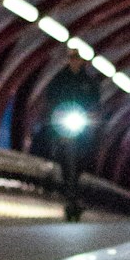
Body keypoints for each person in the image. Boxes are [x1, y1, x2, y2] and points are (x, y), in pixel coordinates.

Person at [43, 48, 102, 221]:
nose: (75, 61)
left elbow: (95, 104)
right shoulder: (60, 79)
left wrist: (92, 115)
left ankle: (76, 194)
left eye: (77, 58)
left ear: (83, 61)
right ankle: (69, 195)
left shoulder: (89, 82)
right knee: (61, 155)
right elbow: (50, 98)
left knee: (84, 156)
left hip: (81, 124)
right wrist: (55, 113)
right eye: (72, 58)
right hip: (64, 123)